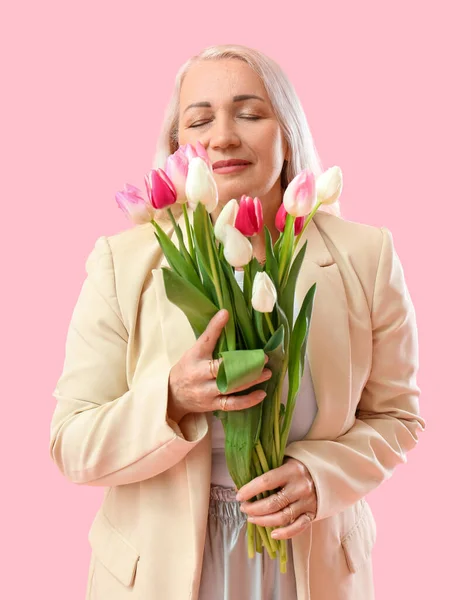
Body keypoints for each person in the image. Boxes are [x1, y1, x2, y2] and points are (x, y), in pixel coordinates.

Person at [49, 44, 426, 600]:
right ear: (179, 148)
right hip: (158, 572)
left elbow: (397, 417)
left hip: (308, 566)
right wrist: (171, 399)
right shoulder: (121, 263)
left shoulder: (365, 257)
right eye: (199, 120)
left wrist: (321, 478)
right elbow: (71, 443)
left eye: (249, 113)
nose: (223, 136)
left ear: (288, 134)